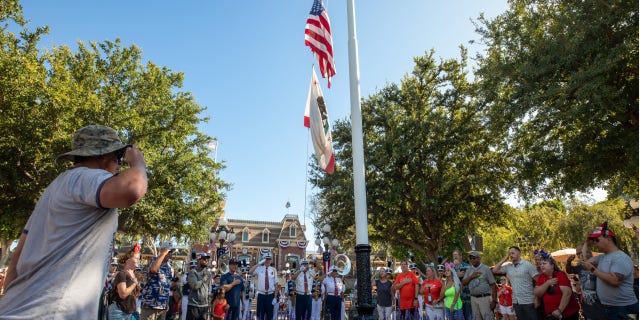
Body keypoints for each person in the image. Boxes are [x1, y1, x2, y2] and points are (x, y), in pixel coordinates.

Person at [0, 125, 147, 318]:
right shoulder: (87, 177)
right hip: (53, 313)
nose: (119, 164)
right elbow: (132, 189)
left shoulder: (55, 188)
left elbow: (19, 253)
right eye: (118, 157)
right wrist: (138, 164)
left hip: (17, 309)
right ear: (103, 156)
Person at [581, 223, 639, 319]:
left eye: (597, 240)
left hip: (624, 308)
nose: (594, 243)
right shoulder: (602, 257)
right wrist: (586, 243)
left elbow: (615, 281)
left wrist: (592, 269)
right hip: (609, 307)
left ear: (608, 239)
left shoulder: (620, 258)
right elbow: (584, 262)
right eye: (593, 241)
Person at [491, 246, 538, 320]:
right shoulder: (508, 267)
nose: (511, 255)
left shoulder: (528, 265)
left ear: (519, 253)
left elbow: (539, 281)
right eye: (509, 254)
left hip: (529, 301)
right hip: (516, 302)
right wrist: (505, 259)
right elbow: (494, 270)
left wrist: (537, 298)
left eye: (513, 253)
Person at [533, 252, 580, 320]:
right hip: (551, 316)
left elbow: (567, 293)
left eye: (544, 263)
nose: (542, 266)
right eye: (541, 264)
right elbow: (537, 293)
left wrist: (559, 310)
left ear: (552, 265)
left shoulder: (560, 275)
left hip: (568, 315)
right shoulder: (541, 277)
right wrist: (547, 283)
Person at [565, 243, 606, 320]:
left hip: (602, 308)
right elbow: (569, 270)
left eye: (581, 253)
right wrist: (568, 262)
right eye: (577, 254)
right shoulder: (580, 266)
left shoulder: (599, 263)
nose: (579, 255)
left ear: (589, 252)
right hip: (588, 309)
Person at [140, 242, 176, 320]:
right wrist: (163, 254)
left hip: (162, 306)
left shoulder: (169, 266)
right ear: (162, 250)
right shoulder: (154, 260)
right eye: (169, 252)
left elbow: (167, 286)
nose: (170, 254)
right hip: (150, 305)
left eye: (171, 252)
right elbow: (153, 270)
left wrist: (166, 302)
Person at [461, 251, 496, 320]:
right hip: (473, 299)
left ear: (479, 259)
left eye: (474, 258)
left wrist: (494, 301)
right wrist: (471, 277)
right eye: (470, 258)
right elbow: (463, 282)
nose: (472, 260)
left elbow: (493, 285)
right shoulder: (469, 269)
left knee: (487, 318)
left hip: (484, 298)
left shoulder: (486, 268)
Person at [110, 248, 143, 320]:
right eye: (136, 258)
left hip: (130, 312)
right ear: (128, 260)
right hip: (119, 312)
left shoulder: (133, 275)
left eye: (139, 259)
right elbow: (123, 294)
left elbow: (135, 295)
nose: (139, 261)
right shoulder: (122, 274)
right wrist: (134, 283)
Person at [250, 253, 278, 320]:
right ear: (263, 260)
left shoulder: (274, 270)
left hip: (270, 295)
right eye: (266, 259)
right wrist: (259, 263)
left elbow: (276, 284)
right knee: (260, 315)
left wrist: (275, 297)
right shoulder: (259, 268)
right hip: (261, 295)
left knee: (269, 316)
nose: (268, 261)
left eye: (269, 259)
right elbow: (250, 271)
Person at [186, 253, 213, 320]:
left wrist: (208, 302)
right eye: (204, 259)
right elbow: (194, 286)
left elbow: (208, 289)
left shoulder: (208, 273)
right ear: (198, 260)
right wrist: (203, 279)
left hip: (204, 306)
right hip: (194, 305)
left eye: (207, 259)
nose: (206, 260)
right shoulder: (193, 272)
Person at [452, 250, 471, 320]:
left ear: (461, 256)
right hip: (455, 299)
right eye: (453, 255)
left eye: (456, 255)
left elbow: (472, 279)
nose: (454, 257)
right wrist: (456, 275)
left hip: (466, 298)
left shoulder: (467, 266)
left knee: (468, 317)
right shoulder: (451, 268)